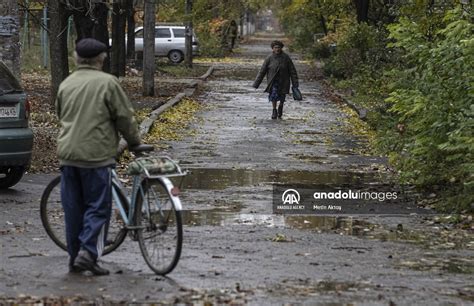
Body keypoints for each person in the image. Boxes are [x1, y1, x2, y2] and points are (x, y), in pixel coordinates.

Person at [55, 38, 142, 275]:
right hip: (95, 156)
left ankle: (76, 259)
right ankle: (88, 252)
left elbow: (60, 113)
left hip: (68, 155)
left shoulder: (66, 83)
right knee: (98, 207)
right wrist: (134, 143)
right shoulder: (107, 83)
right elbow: (124, 117)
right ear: (101, 59)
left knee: (73, 210)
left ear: (76, 58)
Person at [253, 40, 299, 119]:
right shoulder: (269, 58)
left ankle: (280, 106)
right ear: (272, 49)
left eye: (279, 47)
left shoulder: (286, 58)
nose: (277, 49)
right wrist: (256, 83)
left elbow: (292, 71)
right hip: (273, 81)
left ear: (281, 48)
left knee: (282, 96)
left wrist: (295, 83)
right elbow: (262, 71)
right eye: (275, 47)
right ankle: (274, 110)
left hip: (284, 81)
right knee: (273, 95)